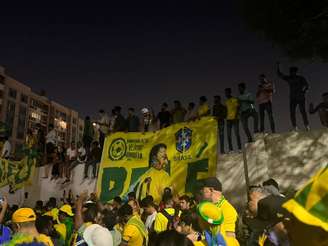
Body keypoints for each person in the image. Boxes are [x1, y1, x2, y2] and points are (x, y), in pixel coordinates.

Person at [201, 177, 239, 245]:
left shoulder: (228, 209)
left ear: (211, 190)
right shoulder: (209, 207)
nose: (201, 194)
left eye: (203, 191)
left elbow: (230, 238)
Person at [277, 62, 310, 131]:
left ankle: (306, 125)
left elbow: (307, 86)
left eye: (293, 72)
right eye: (291, 72)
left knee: (302, 112)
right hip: (293, 98)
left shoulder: (300, 78)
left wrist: (304, 91)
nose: (291, 73)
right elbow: (280, 75)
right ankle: (295, 126)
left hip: (300, 97)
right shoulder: (289, 78)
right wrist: (278, 66)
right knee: (292, 112)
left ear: (296, 72)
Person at [225, 88, 242, 152]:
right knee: (229, 135)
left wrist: (236, 116)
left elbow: (238, 108)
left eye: (227, 92)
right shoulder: (226, 101)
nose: (226, 94)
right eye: (225, 92)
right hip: (228, 119)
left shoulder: (234, 99)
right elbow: (226, 110)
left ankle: (239, 148)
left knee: (236, 134)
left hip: (235, 119)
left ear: (230, 92)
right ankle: (231, 149)